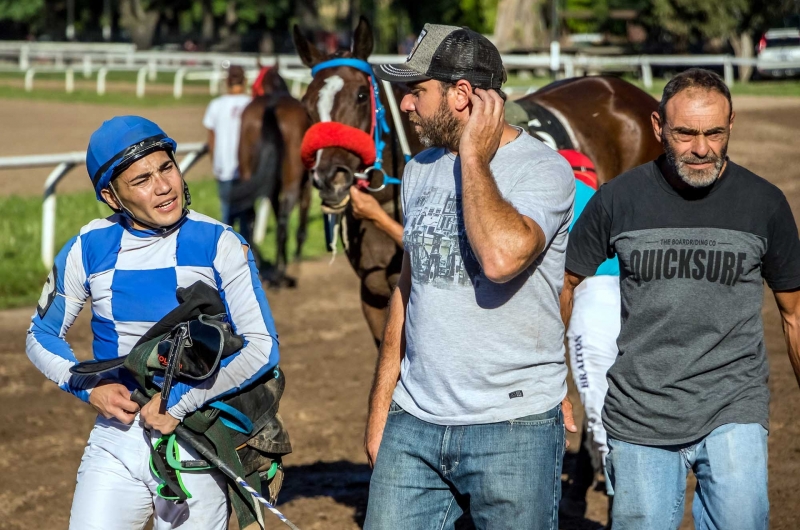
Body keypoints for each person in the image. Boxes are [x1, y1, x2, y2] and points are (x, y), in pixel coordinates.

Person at [562, 68, 800, 530]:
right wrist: (552, 383)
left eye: (714, 132)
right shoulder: (617, 200)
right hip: (639, 413)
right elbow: (563, 284)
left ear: (731, 125)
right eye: (685, 133)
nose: (701, 148)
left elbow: (794, 314)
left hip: (734, 404)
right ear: (657, 127)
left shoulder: (764, 204)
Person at [363, 23, 577, 529]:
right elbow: (407, 292)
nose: (407, 106)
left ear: (462, 94)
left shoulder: (543, 171)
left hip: (514, 427)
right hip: (413, 424)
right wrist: (380, 415)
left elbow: (501, 259)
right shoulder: (417, 170)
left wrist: (473, 158)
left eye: (417, 92)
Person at [26, 116, 280, 529]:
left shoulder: (221, 243)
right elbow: (40, 335)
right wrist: (90, 388)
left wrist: (177, 403)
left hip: (195, 441)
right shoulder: (87, 247)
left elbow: (262, 346)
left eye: (167, 168)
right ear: (111, 196)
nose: (164, 187)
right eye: (141, 179)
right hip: (115, 441)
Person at [558, 150, 621, 522]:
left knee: (598, 418)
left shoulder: (560, 196)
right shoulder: (604, 199)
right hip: (628, 297)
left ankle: (624, 512)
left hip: (592, 304)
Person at [203, 65, 253, 240]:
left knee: (227, 217)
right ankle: (248, 258)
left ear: (227, 81)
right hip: (248, 170)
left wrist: (214, 164)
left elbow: (211, 140)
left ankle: (226, 258)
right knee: (247, 218)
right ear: (245, 81)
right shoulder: (251, 104)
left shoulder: (215, 105)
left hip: (223, 167)